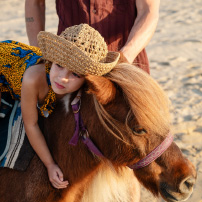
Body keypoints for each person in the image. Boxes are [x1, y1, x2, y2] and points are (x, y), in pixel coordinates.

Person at [0, 24, 120, 189]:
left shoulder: (82, 87)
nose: (63, 78)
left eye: (75, 74)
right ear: (52, 60)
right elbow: (31, 124)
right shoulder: (33, 79)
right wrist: (50, 164)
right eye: (59, 66)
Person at [25, 0, 160, 74]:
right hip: (68, 63)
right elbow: (34, 3)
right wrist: (39, 56)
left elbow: (148, 11)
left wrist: (124, 58)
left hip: (126, 61)